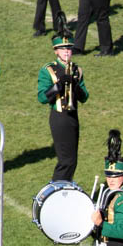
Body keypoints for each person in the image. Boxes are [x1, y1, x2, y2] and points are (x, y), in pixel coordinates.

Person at [37, 12, 88, 182]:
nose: (66, 52)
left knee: (73, 161)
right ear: (56, 51)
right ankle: (55, 189)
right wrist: (58, 86)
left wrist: (74, 84)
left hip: (73, 116)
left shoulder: (77, 70)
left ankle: (64, 188)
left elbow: (84, 96)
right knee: (65, 160)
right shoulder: (49, 70)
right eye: (63, 49)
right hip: (59, 117)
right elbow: (42, 97)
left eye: (69, 48)